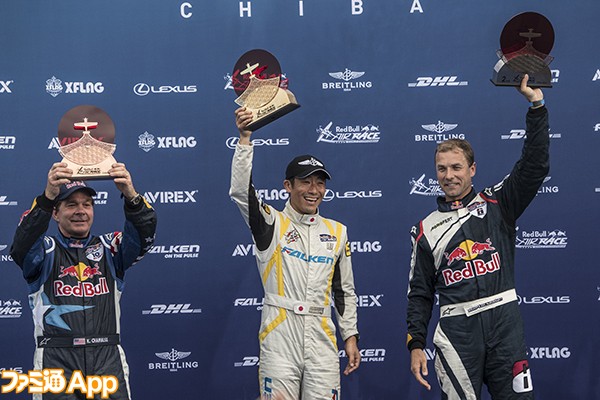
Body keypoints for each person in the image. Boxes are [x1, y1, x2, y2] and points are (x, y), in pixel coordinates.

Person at [406, 75, 548, 399]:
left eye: (456, 167)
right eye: (441, 169)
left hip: (505, 326)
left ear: (472, 169)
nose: (449, 175)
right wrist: (416, 343)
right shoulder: (425, 229)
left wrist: (536, 107)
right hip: (458, 334)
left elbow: (534, 166)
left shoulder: (498, 203)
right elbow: (419, 293)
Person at [230, 107, 360, 399]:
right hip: (280, 332)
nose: (314, 189)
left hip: (322, 336)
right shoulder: (271, 222)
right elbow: (241, 193)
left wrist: (350, 335)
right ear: (288, 186)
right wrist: (245, 139)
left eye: (320, 182)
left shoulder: (338, 231)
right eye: (305, 181)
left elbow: (343, 291)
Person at [10, 162, 157, 400]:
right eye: (71, 205)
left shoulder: (111, 248)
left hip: (106, 359)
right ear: (55, 213)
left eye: (87, 205)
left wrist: (131, 195)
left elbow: (144, 238)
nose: (81, 211)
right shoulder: (45, 250)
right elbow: (21, 246)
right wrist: (47, 198)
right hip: (56, 360)